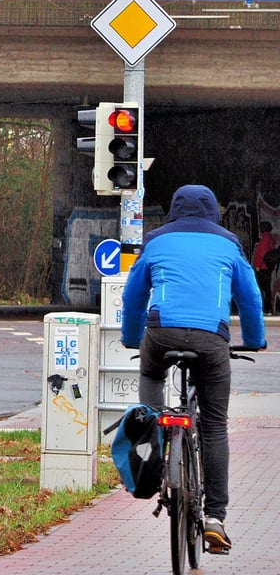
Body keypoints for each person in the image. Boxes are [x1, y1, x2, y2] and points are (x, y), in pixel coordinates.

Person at [121, 184, 266, 554]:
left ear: (173, 210)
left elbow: (134, 295)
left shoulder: (155, 241)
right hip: (210, 338)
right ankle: (216, 517)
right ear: (213, 212)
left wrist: (131, 337)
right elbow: (249, 297)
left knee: (151, 374)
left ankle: (153, 435)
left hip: (160, 333)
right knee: (214, 424)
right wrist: (253, 338)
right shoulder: (229, 243)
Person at [251, 220, 276, 315]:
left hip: (262, 267)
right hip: (267, 267)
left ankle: (265, 308)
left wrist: (257, 265)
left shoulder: (265, 238)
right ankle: (267, 308)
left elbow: (261, 254)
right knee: (266, 288)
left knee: (261, 288)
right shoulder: (270, 238)